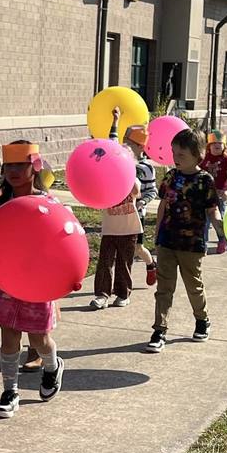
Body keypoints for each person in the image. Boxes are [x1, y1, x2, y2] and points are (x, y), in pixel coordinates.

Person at [0, 141, 64, 418]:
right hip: (9, 281)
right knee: (9, 336)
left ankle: (52, 366)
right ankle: (10, 392)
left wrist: (56, 288)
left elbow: (61, 245)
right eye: (9, 165)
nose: (14, 171)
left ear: (35, 167)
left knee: (39, 339)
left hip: (39, 282)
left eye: (21, 165)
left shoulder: (49, 204)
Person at [145, 127, 223, 353]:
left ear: (198, 155)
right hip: (167, 241)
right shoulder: (171, 176)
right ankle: (159, 330)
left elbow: (212, 210)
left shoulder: (205, 180)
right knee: (164, 288)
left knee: (193, 286)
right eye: (174, 153)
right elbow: (163, 205)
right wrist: (157, 234)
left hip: (192, 244)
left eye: (181, 154)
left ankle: (202, 320)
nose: (176, 158)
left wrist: (221, 231)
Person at [91, 108, 141, 309]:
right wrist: (115, 121)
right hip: (110, 228)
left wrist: (128, 175)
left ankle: (123, 293)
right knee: (104, 262)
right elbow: (111, 144)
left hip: (129, 229)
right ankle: (102, 295)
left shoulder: (133, 179)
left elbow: (136, 191)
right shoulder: (107, 180)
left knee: (124, 262)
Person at [123, 124, 158, 285]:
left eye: (128, 143)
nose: (124, 146)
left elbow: (152, 190)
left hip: (137, 215)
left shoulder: (146, 168)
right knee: (123, 250)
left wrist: (142, 201)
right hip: (119, 214)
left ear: (140, 146)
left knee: (137, 248)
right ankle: (122, 282)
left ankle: (151, 265)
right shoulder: (121, 162)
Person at [200, 129, 227, 254]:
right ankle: (203, 243)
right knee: (204, 220)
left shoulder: (226, 160)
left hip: (219, 195)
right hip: (205, 194)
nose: (217, 145)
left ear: (224, 146)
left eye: (220, 143)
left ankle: (222, 240)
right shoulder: (204, 158)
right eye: (214, 143)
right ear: (209, 146)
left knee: (218, 220)